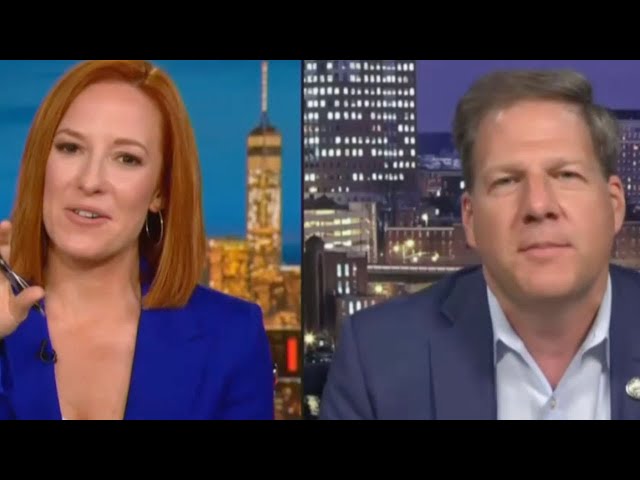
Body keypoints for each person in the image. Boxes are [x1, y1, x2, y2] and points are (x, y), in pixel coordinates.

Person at [320, 69, 640, 420]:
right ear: (470, 219)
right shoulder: (376, 358)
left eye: (566, 175)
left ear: (614, 206)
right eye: (506, 181)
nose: (538, 205)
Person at [0, 60, 275, 420]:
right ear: (42, 164)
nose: (90, 181)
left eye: (127, 159)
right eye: (70, 148)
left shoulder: (231, 338)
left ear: (159, 191)